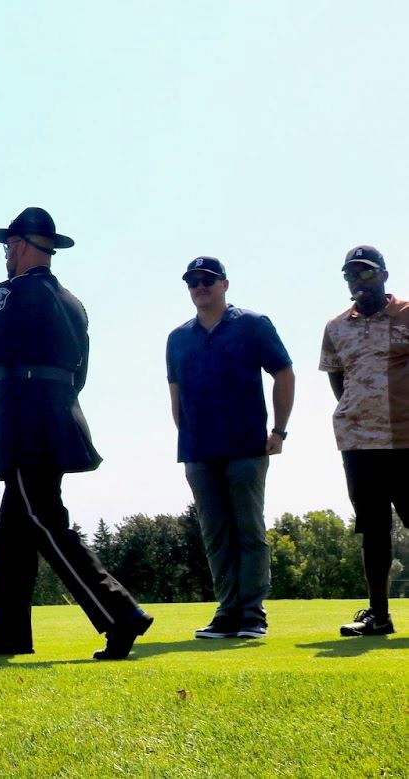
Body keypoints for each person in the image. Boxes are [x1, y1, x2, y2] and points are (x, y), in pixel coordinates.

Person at [0, 206, 152, 660]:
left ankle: (119, 611)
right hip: (57, 413)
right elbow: (79, 372)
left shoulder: (11, 291)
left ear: (25, 246)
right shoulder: (71, 301)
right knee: (14, 535)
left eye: (9, 245)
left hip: (26, 421)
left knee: (46, 523)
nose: (6, 254)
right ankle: (9, 632)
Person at [167, 256, 294, 640]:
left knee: (248, 531)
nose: (199, 287)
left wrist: (279, 431)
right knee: (215, 534)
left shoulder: (253, 326)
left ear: (224, 284)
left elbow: (284, 373)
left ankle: (252, 615)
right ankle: (227, 611)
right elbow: (175, 394)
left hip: (245, 446)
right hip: (198, 451)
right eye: (193, 281)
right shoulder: (177, 338)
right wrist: (188, 436)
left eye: (207, 280)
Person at [320, 245, 409, 637]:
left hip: (407, 439)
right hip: (358, 442)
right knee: (373, 530)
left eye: (367, 273)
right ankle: (378, 615)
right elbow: (338, 379)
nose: (359, 281)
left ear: (385, 275)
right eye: (351, 275)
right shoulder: (336, 327)